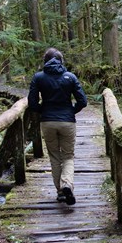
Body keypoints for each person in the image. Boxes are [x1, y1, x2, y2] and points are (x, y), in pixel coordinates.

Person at [28, 48, 87, 205]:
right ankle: (67, 184)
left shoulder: (38, 77)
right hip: (67, 121)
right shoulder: (70, 77)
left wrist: (44, 111)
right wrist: (71, 111)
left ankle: (60, 192)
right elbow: (83, 101)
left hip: (47, 122)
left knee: (54, 156)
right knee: (68, 156)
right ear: (61, 61)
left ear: (45, 61)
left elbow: (32, 104)